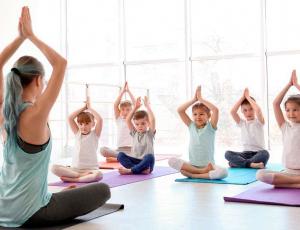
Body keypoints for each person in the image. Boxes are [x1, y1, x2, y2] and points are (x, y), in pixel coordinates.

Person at [0, 7, 110, 227]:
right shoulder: (35, 114)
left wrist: (19, 38)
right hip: (31, 213)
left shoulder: (5, 113)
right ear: (39, 80)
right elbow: (60, 63)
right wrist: (30, 35)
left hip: (3, 209)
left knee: (63, 193)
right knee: (103, 190)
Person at [168, 86, 227, 179]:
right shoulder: (191, 126)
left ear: (208, 116)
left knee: (223, 172)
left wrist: (201, 99)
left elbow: (215, 110)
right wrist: (194, 99)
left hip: (209, 166)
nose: (198, 117)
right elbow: (180, 110)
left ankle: (193, 175)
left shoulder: (211, 127)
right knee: (171, 160)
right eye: (195, 114)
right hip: (192, 165)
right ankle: (201, 172)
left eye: (201, 114)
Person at [256, 70, 300, 188]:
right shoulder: (285, 127)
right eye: (288, 110)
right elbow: (275, 104)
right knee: (260, 174)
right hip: (287, 172)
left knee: (272, 180)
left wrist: (296, 85)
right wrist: (288, 84)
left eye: (295, 109)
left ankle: (289, 184)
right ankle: (295, 183)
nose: (291, 113)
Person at [51, 97, 103, 183]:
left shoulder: (95, 135)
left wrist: (90, 108)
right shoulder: (77, 133)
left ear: (93, 124)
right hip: (75, 170)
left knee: (99, 175)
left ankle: (76, 179)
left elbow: (100, 120)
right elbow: (70, 118)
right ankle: (80, 176)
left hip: (91, 170)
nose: (83, 126)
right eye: (80, 124)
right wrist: (83, 107)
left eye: (87, 123)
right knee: (53, 168)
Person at [225, 88, 269, 169]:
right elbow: (232, 112)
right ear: (241, 111)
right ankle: (251, 164)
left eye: (251, 109)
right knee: (227, 154)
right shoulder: (242, 123)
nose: (248, 112)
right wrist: (243, 97)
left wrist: (248, 97)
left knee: (265, 154)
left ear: (254, 110)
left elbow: (258, 110)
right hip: (245, 154)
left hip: (258, 153)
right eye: (245, 110)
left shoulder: (259, 122)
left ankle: (240, 163)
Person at [118, 96, 155, 175]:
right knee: (120, 155)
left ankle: (131, 170)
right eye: (137, 124)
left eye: (143, 123)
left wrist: (147, 106)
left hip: (147, 164)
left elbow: (153, 120)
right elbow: (128, 120)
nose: (140, 126)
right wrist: (135, 107)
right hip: (136, 161)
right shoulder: (134, 133)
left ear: (148, 123)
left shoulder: (149, 134)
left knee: (150, 157)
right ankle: (138, 170)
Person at [100, 82, 135, 162]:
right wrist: (122, 92)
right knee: (102, 150)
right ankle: (120, 158)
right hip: (120, 150)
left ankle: (118, 159)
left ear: (132, 110)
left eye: (128, 110)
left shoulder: (133, 119)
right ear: (120, 111)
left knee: (140, 156)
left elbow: (135, 103)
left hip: (132, 150)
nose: (125, 112)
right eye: (123, 110)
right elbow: (115, 105)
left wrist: (128, 91)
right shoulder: (119, 120)